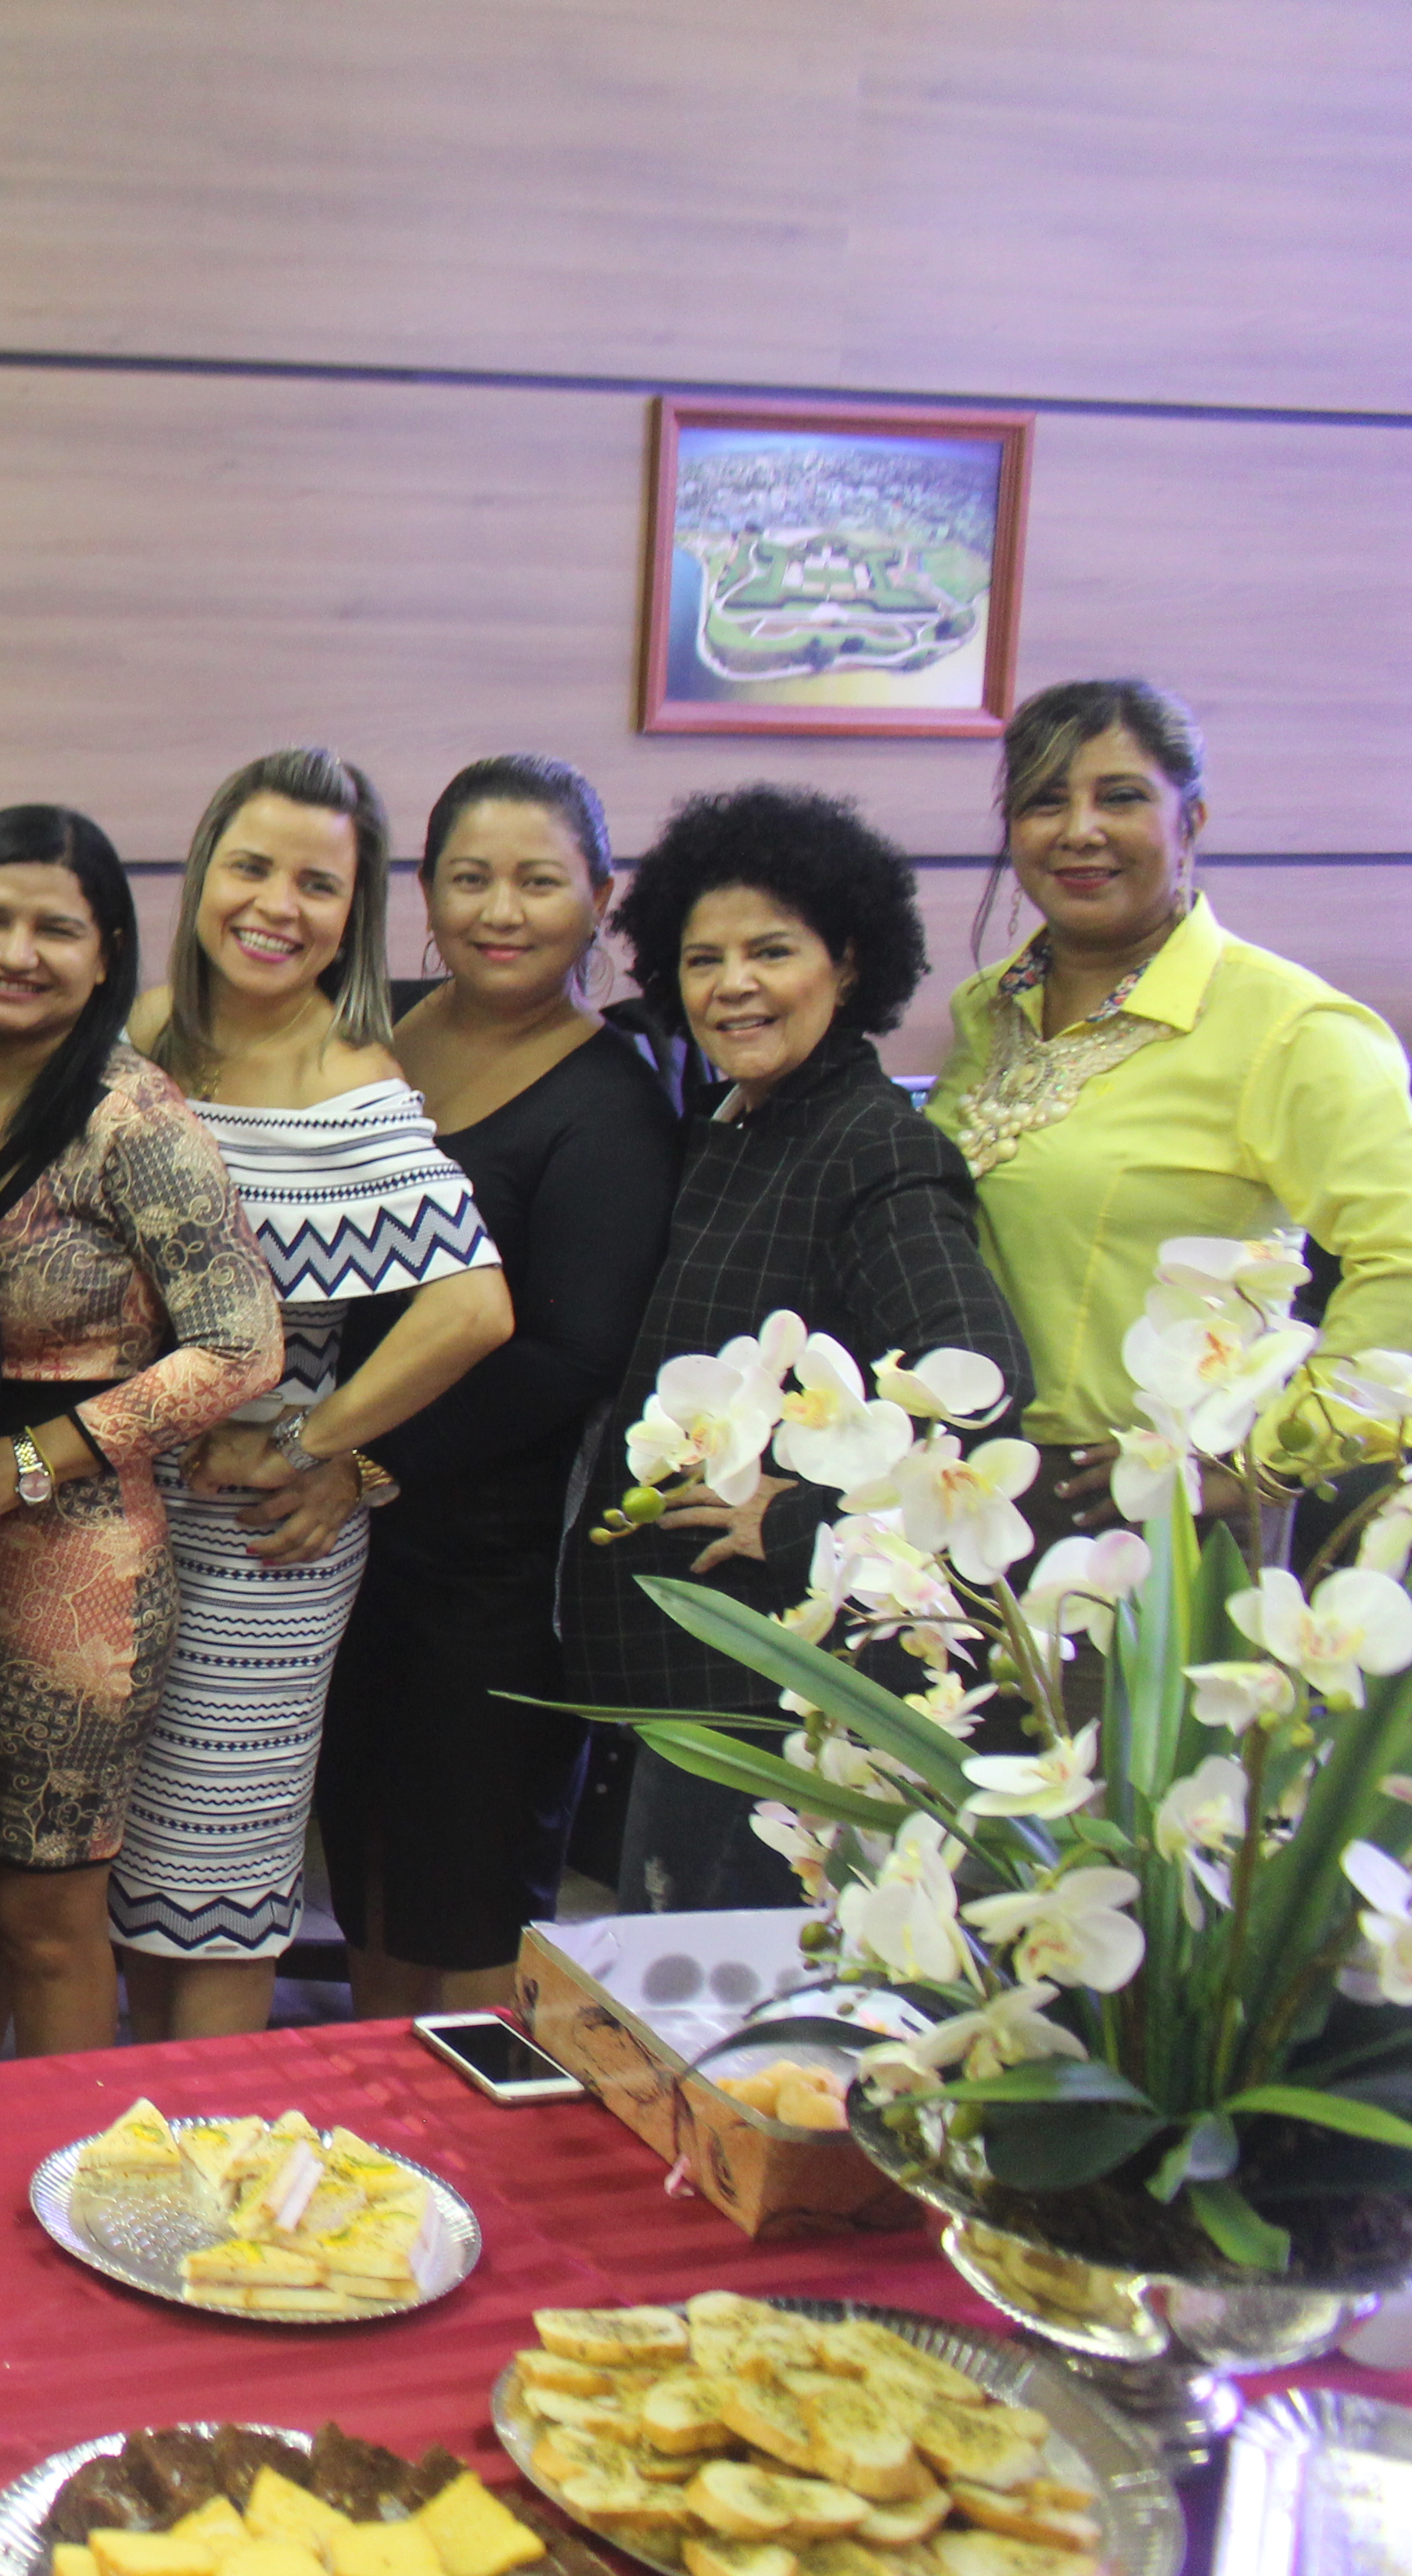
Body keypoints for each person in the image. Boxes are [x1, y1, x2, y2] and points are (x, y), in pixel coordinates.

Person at [565, 784, 1034, 1912]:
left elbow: (975, 1395)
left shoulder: (875, 1152)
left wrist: (797, 1519)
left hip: (776, 1688)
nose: (732, 985)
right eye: (701, 958)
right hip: (689, 1675)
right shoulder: (740, 1122)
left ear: (849, 961)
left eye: (770, 951)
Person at [122, 750, 512, 2040]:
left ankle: (203, 2188)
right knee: (128, 1879)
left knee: (220, 1890)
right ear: (199, 875)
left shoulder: (352, 1085)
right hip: (115, 1516)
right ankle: (125, 2160)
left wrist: (313, 1440)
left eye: (315, 882)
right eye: (249, 867)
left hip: (256, 1547)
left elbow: (471, 1310)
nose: (273, 905)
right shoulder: (141, 1039)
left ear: (353, 913)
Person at [0, 805, 281, 2065]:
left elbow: (241, 1343)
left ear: (110, 953)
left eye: (56, 928)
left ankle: (74, 2182)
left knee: (48, 1915)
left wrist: (28, 1464)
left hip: (72, 1557)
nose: (17, 951)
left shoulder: (133, 1118)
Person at [314, 760, 678, 2021]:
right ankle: (367, 2146)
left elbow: (566, 1360)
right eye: (470, 879)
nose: (501, 911)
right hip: (337, 1546)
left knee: (466, 1886)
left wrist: (360, 1463)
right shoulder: (373, 1036)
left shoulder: (612, 1102)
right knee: (361, 1866)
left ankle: (476, 2164)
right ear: (423, 893)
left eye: (539, 881)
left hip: (494, 1569)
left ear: (601, 898)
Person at [928, 676, 1412, 1516]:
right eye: (1045, 803)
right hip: (973, 1495)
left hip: (1161, 1505)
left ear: (1190, 821)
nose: (1080, 831)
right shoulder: (988, 1012)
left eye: (1120, 797)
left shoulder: (1292, 1028)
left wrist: (1274, 1457)